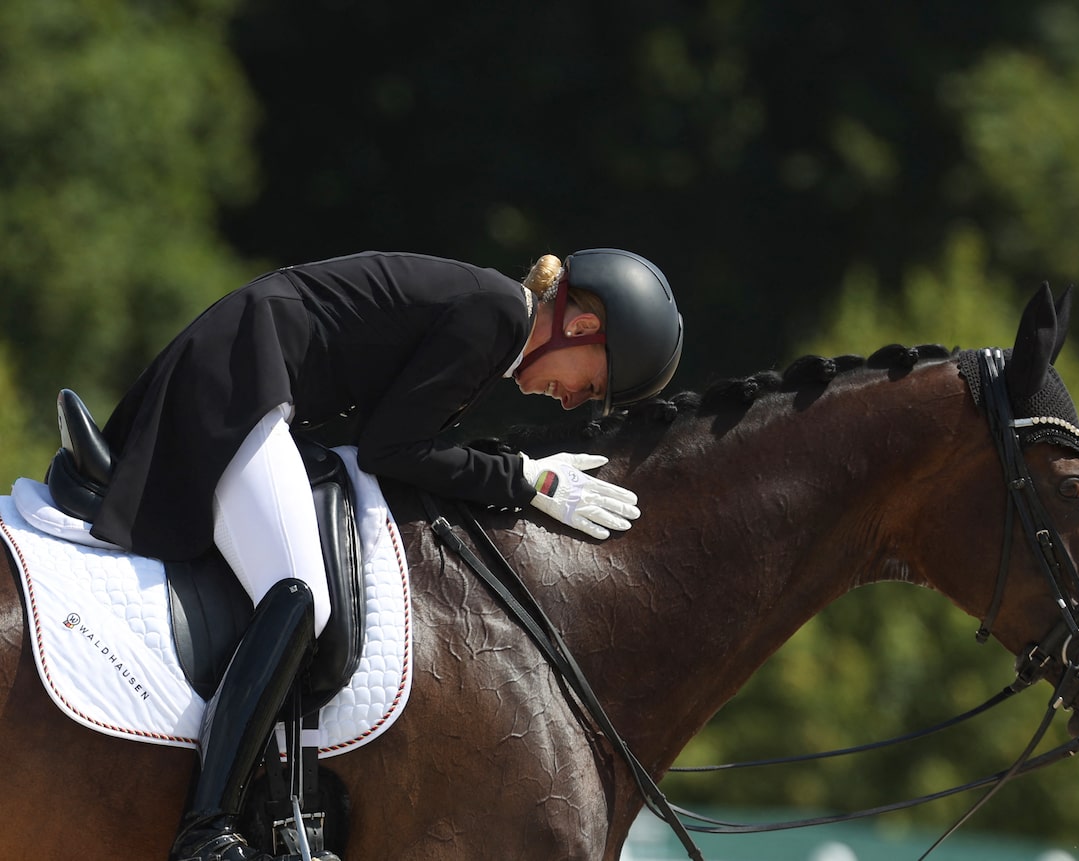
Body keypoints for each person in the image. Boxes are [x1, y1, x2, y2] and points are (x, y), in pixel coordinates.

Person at [89, 248, 683, 861]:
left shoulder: (494, 319)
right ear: (582, 329)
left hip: (253, 378)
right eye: (595, 385)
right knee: (300, 599)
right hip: (241, 385)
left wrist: (519, 475)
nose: (575, 401)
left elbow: (392, 438)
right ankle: (204, 831)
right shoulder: (497, 314)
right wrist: (525, 479)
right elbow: (391, 450)